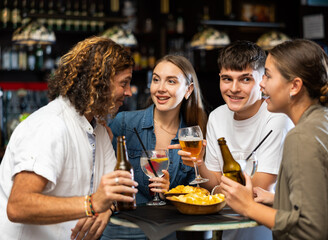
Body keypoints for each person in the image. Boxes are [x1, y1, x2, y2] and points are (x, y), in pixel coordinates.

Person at [0, 36, 139, 240]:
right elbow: (18, 206)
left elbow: (115, 190)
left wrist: (105, 208)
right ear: (98, 83)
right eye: (123, 83)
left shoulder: (98, 129)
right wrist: (92, 204)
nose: (128, 92)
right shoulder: (49, 126)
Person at [221, 39, 328, 239]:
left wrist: (248, 207)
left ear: (294, 86)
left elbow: (310, 230)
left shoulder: (302, 137)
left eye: (267, 76)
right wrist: (278, 199)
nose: (261, 83)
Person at [171, 40, 293, 240]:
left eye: (245, 79)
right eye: (227, 79)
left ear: (262, 81)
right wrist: (199, 163)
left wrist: (220, 187)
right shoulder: (217, 116)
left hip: (266, 233)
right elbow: (211, 185)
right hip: (228, 231)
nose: (234, 88)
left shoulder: (277, 118)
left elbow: (258, 191)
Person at [101, 55, 208, 239]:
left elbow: (196, 194)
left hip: (164, 232)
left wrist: (171, 194)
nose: (160, 88)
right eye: (156, 79)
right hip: (121, 229)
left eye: (171, 81)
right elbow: (99, 173)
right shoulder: (124, 123)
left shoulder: (192, 138)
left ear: (188, 90)